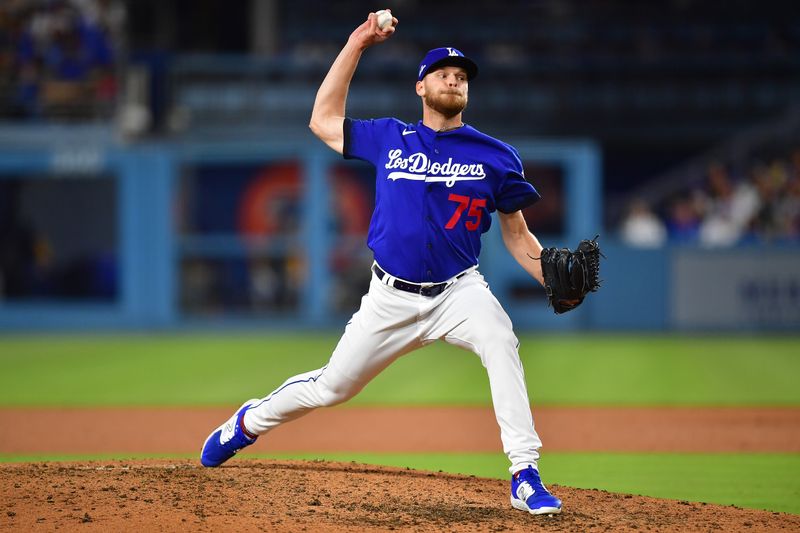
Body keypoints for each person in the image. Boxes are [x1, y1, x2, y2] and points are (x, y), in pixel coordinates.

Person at [201, 11, 562, 516]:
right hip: (389, 296)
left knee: (501, 340)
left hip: (459, 292)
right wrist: (357, 42)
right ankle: (249, 421)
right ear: (421, 86)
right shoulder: (389, 136)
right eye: (444, 74)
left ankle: (524, 474)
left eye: (462, 77)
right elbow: (321, 121)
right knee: (332, 387)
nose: (455, 81)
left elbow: (518, 235)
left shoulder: (496, 156)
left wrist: (552, 277)